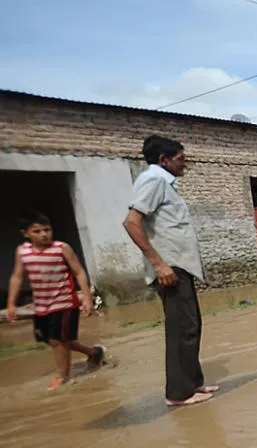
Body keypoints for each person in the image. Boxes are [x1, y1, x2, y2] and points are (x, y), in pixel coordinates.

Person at [124, 135, 219, 407]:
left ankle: (193, 384)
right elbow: (132, 222)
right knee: (182, 329)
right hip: (170, 268)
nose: (184, 164)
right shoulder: (154, 182)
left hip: (178, 266)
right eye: (179, 159)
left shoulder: (163, 184)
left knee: (191, 325)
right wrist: (158, 263)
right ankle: (179, 393)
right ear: (163, 160)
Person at [6, 211, 105, 389]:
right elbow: (17, 277)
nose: (44, 234)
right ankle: (94, 353)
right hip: (41, 306)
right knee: (56, 340)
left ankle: (63, 377)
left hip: (64, 303)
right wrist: (11, 304)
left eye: (47, 229)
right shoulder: (22, 252)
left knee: (57, 341)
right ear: (25, 233)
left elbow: (79, 272)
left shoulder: (61, 248)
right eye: (37, 231)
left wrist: (87, 299)